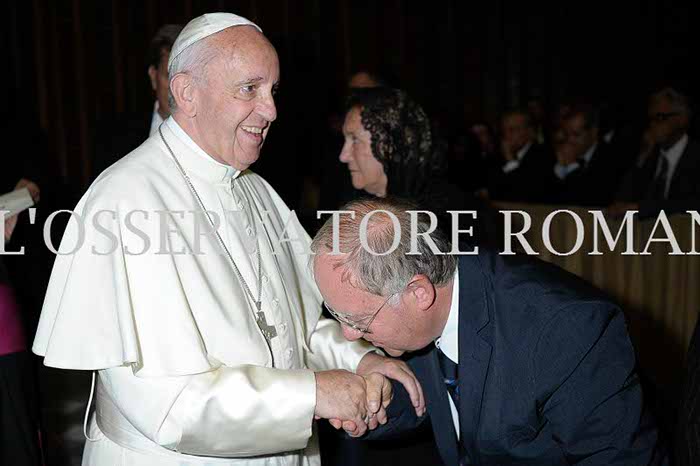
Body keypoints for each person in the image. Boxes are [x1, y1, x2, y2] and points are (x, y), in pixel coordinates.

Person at [32, 13, 424, 466]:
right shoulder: (125, 202)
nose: (272, 110)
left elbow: (296, 321)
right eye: (249, 89)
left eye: (273, 91)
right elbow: (170, 408)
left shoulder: (255, 189)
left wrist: (359, 361)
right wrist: (314, 394)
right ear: (186, 93)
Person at [311, 197, 667, 466]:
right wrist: (372, 403)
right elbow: (433, 401)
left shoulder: (567, 329)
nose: (349, 335)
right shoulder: (424, 306)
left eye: (358, 320)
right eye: (338, 316)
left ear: (418, 293)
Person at [339, 87, 483, 245]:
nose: (343, 156)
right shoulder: (353, 202)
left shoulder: (446, 218)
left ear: (390, 145)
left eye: (355, 140)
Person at [92, 23, 184, 178]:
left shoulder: (213, 137)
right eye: (169, 76)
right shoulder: (116, 138)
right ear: (153, 76)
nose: (176, 88)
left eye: (183, 77)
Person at [611, 87, 700, 218]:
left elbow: (692, 205)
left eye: (660, 117)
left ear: (682, 119)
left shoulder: (696, 156)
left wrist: (641, 208)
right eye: (650, 119)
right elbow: (621, 202)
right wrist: (642, 157)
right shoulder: (649, 155)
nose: (653, 125)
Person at [552, 103, 625, 206]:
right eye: (566, 134)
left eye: (576, 134)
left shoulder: (610, 158)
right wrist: (560, 169)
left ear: (593, 132)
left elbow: (588, 200)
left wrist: (571, 167)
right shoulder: (558, 152)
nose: (570, 140)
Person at [488, 109, 555, 203]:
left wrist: (510, 161)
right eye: (504, 130)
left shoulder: (544, 156)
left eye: (513, 130)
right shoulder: (497, 157)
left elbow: (526, 194)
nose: (507, 135)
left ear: (530, 132)